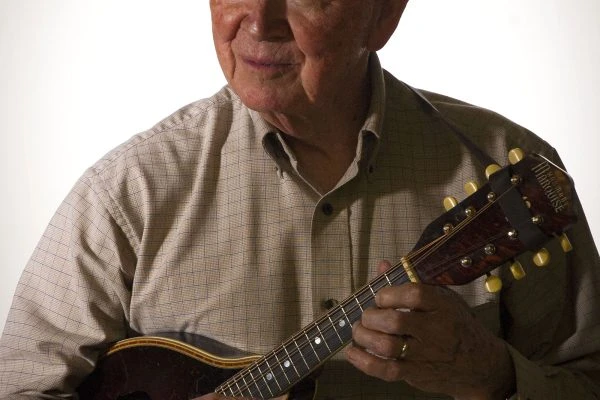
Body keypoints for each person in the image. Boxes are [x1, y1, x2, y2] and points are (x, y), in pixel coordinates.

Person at [1, 0, 599, 399]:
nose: (260, 21)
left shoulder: (509, 169)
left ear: (384, 15)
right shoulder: (128, 192)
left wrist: (490, 374)